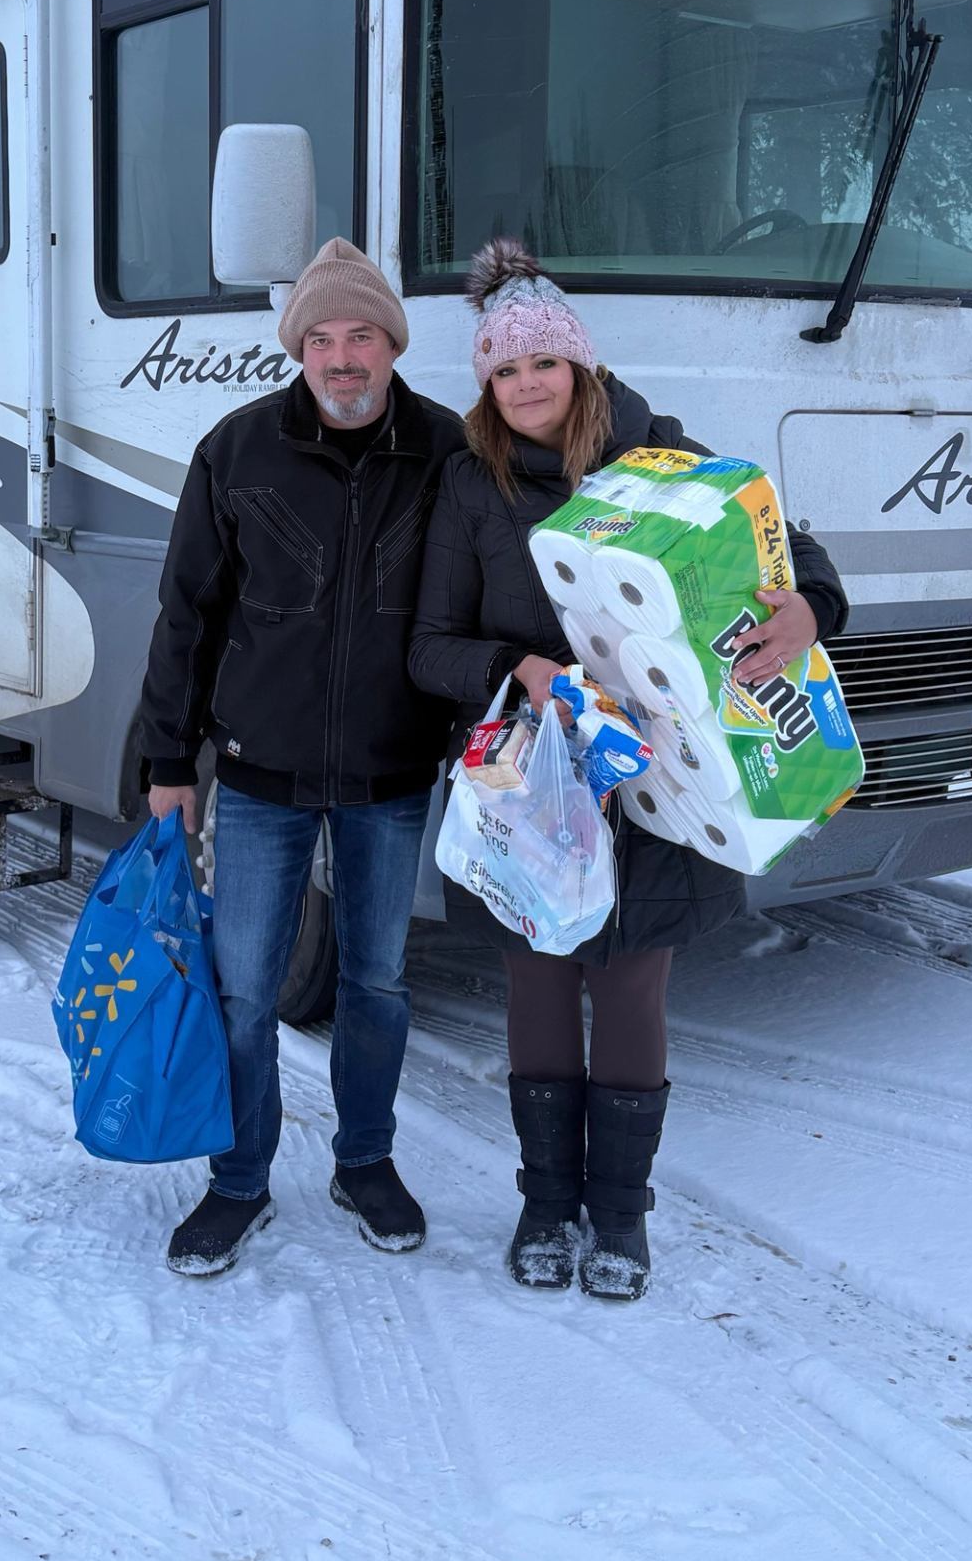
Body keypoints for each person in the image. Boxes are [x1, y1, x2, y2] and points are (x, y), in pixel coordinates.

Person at [409, 240, 848, 1302]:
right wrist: (515, 666)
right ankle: (546, 1203)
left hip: (665, 772)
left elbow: (793, 562)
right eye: (505, 371)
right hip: (538, 775)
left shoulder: (667, 455)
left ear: (582, 367)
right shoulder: (472, 486)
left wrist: (810, 609)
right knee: (540, 981)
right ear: (485, 383)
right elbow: (427, 644)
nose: (526, 387)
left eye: (543, 365)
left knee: (634, 981)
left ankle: (621, 1217)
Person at [140, 237, 466, 1279]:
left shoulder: (449, 450)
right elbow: (185, 618)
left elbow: (485, 594)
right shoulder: (236, 451)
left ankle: (364, 1160)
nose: (340, 357)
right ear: (297, 349)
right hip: (261, 770)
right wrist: (167, 759)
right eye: (319, 338)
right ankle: (239, 1180)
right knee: (245, 989)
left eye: (360, 335)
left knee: (376, 981)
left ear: (391, 345)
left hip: (390, 768)